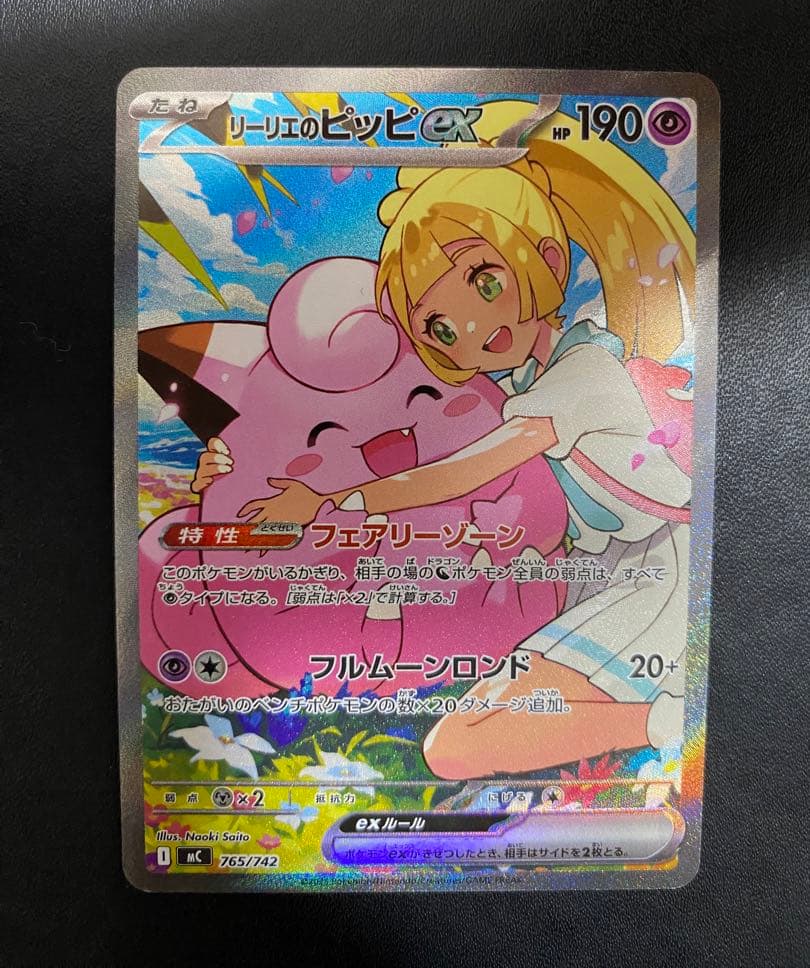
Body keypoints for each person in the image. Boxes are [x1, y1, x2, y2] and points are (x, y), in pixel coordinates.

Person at [195, 99, 696, 777]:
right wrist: (233, 470)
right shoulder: (521, 378)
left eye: (484, 281)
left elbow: (465, 471)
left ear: (547, 260)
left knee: (457, 746)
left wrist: (332, 503)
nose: (473, 329)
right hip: (587, 573)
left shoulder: (583, 372)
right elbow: (402, 438)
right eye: (441, 327)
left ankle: (667, 716)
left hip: (658, 576)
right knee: (463, 731)